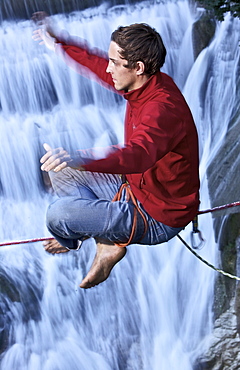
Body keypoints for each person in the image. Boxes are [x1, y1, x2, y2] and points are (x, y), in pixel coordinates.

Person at [32, 14, 200, 289]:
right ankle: (104, 236)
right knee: (60, 171)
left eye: (115, 62)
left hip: (158, 215)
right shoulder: (142, 82)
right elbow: (96, 64)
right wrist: (58, 43)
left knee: (56, 216)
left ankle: (94, 237)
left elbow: (138, 155)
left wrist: (81, 159)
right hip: (135, 189)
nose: (109, 69)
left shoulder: (162, 109)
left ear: (138, 67)